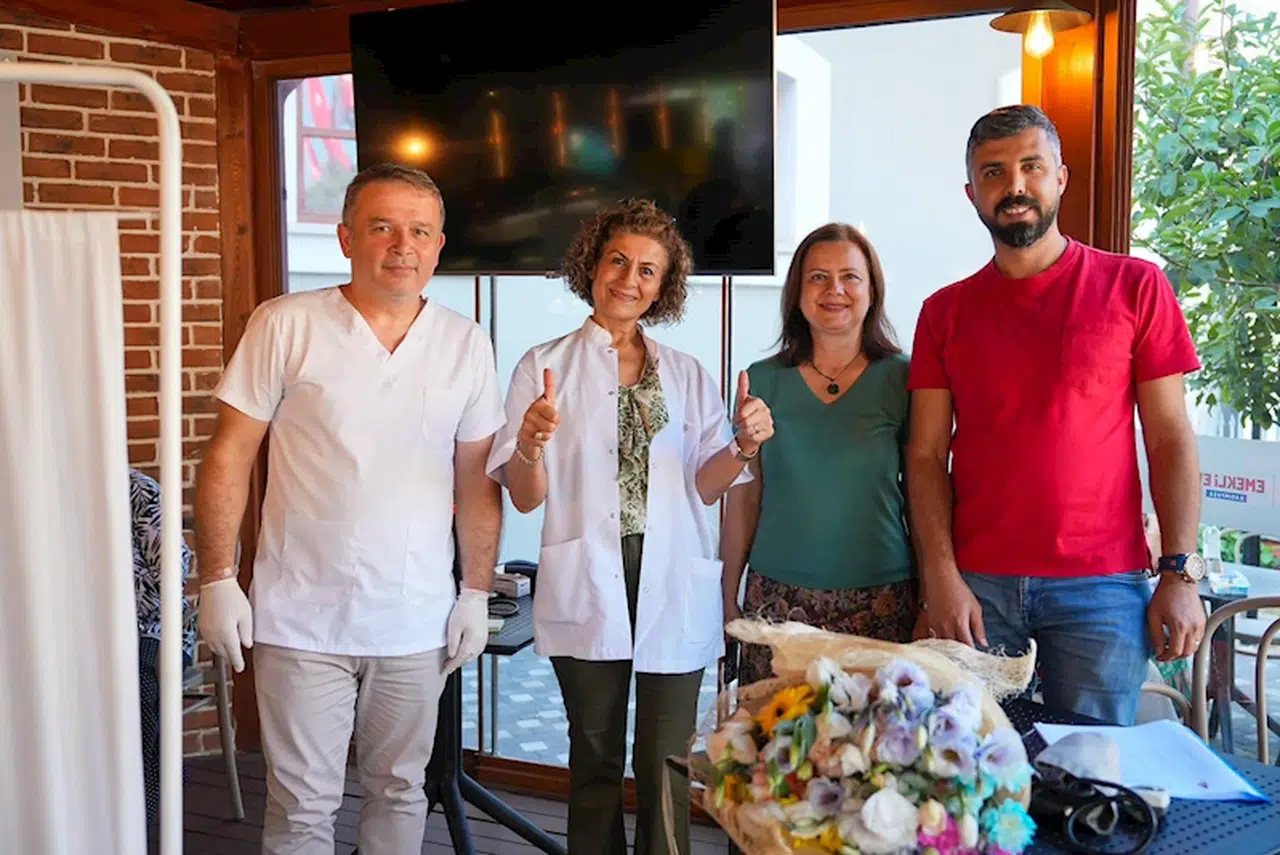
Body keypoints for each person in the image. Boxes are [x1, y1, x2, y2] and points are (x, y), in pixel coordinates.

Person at [194, 163, 504, 855]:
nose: (402, 245)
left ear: (439, 244)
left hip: (415, 616)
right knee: (302, 805)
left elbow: (477, 476)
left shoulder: (464, 342)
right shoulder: (286, 324)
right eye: (382, 227)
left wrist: (476, 592)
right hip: (301, 615)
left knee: (399, 790)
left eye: (419, 231)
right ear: (345, 238)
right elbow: (229, 454)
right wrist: (217, 577)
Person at [485, 199, 771, 855]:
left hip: (670, 577)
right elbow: (525, 498)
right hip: (589, 575)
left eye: (648, 270)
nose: (629, 279)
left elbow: (707, 484)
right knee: (594, 757)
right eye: (618, 260)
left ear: (663, 286)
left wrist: (744, 446)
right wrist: (529, 444)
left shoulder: (687, 372)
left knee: (666, 760)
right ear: (592, 264)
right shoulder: (544, 365)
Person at [906, 105, 1206, 725]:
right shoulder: (943, 312)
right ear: (972, 193)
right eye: (993, 172)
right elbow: (927, 455)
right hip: (976, 585)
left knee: (1094, 769)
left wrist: (1180, 572)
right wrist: (939, 576)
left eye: (1031, 166)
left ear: (1061, 178)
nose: (1014, 185)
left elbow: (1170, 439)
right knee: (969, 765)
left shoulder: (1136, 287)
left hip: (1103, 588)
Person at [721, 223, 917, 687]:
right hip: (777, 601)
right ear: (797, 292)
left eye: (850, 277)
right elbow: (745, 497)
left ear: (872, 291)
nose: (834, 290)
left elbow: (924, 494)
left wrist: (931, 596)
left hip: (882, 600)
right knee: (772, 731)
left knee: (873, 734)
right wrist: (727, 594)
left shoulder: (905, 379)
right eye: (818, 277)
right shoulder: (760, 380)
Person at [129, 466, 196, 831]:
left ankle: (140, 807)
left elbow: (173, 570)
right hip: (84, 635)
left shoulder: (139, 491)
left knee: (137, 684)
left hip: (156, 626)